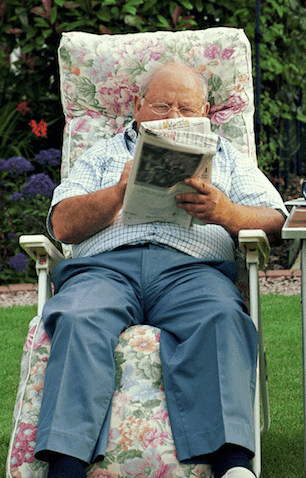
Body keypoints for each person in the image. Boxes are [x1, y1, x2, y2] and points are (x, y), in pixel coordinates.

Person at [36, 62, 287, 478]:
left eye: (186, 109)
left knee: (221, 316)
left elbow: (276, 220)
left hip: (192, 270)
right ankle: (66, 467)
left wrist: (227, 212)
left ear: (204, 112)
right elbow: (62, 224)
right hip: (105, 270)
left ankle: (232, 465)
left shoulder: (227, 156)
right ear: (138, 106)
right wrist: (118, 193)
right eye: (161, 106)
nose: (173, 117)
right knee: (78, 316)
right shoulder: (102, 154)